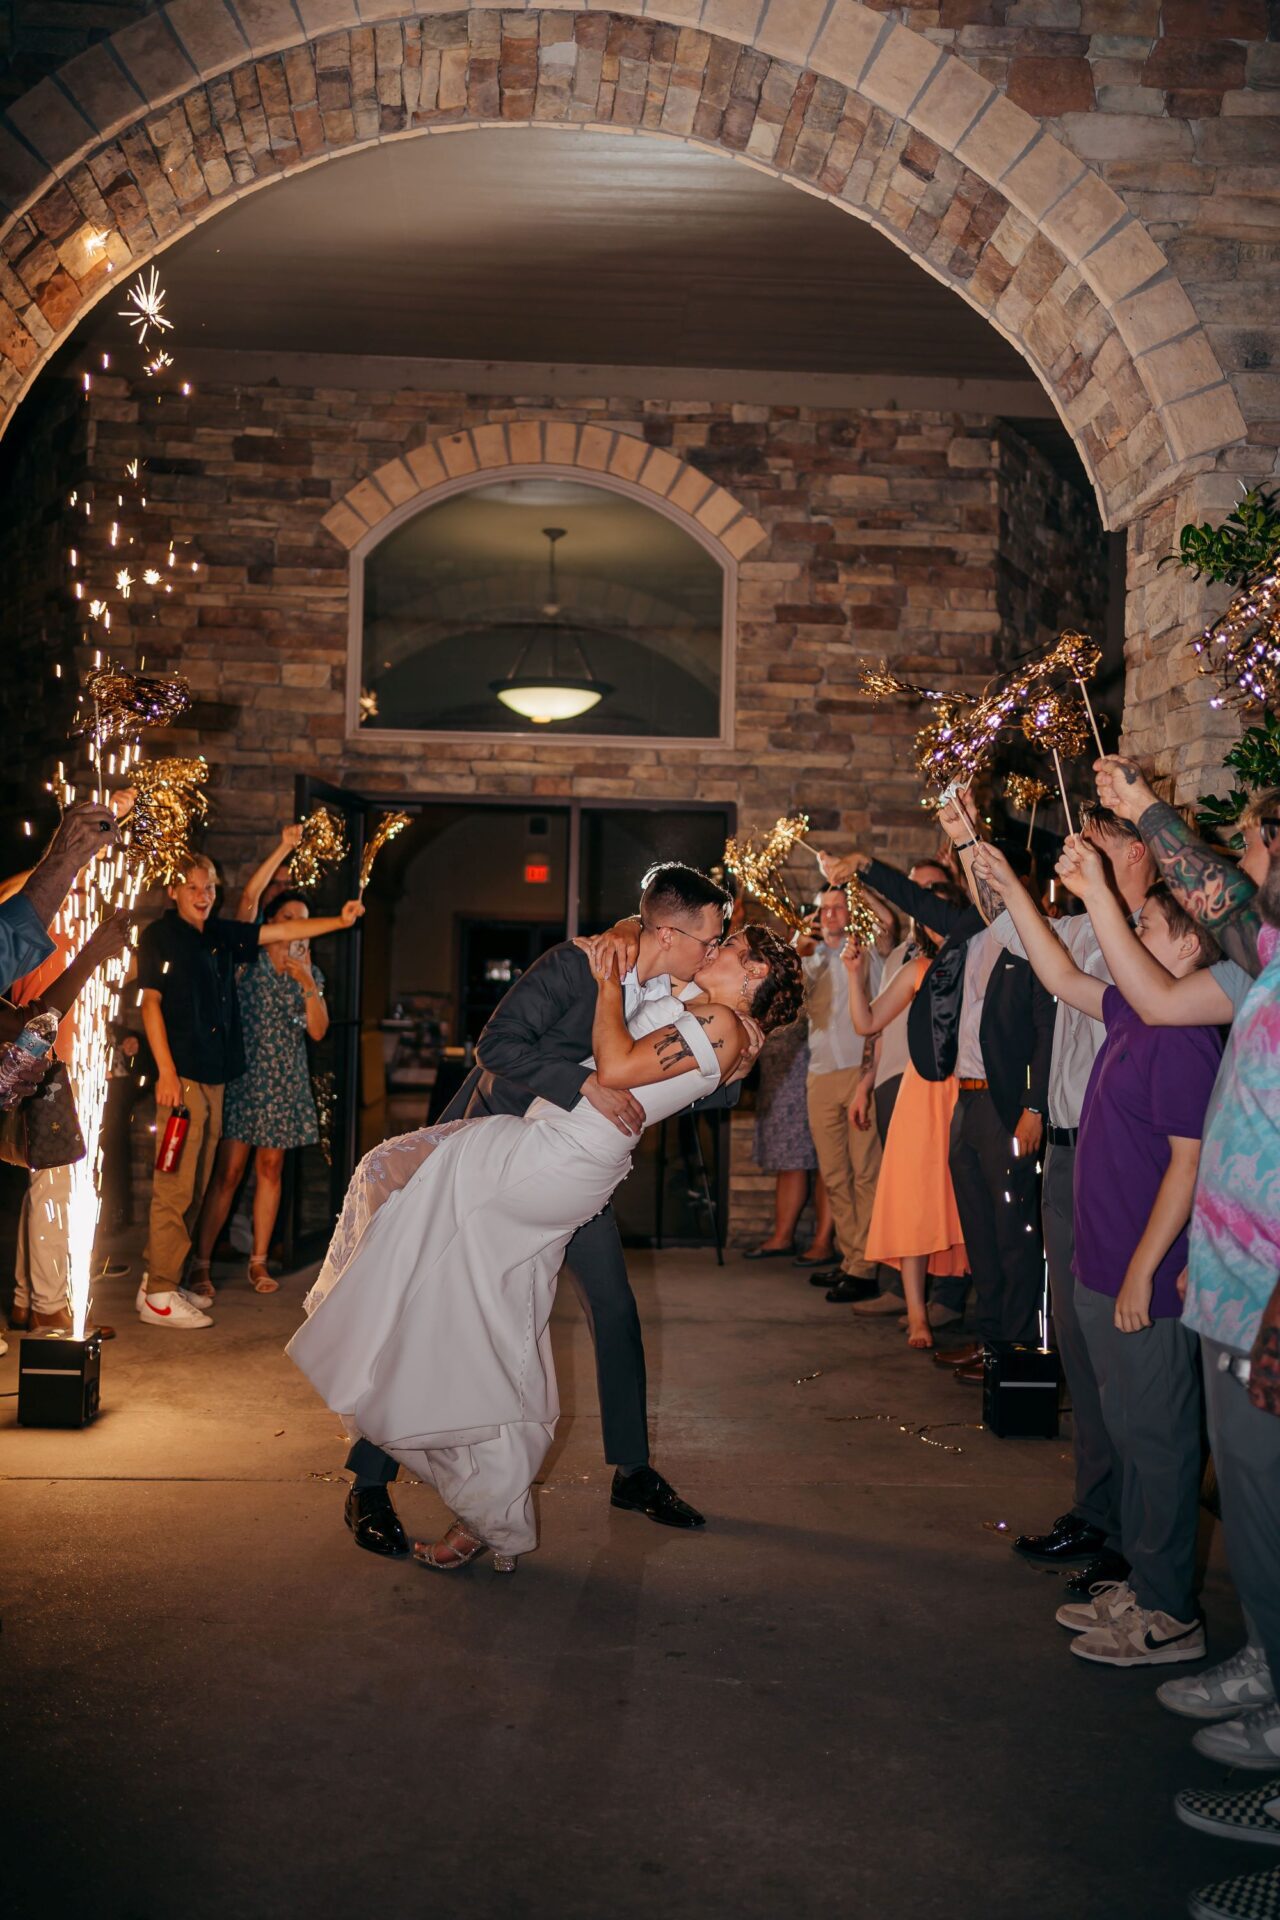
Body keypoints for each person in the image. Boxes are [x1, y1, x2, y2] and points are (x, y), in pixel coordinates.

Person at [288, 924, 803, 1571]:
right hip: (507, 1126)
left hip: (566, 1165)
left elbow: (704, 1070)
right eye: (709, 938)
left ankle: (625, 1472)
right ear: (669, 931)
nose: (712, 948)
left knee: (600, 1310)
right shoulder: (584, 962)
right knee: (450, 1293)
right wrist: (593, 1061)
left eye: (723, 945)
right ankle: (373, 1481)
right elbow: (498, 1047)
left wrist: (743, 1048)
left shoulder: (687, 993)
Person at [975, 839, 1223, 1670]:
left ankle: (1169, 1612)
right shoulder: (1134, 1010)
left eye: (1147, 922)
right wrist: (1011, 883)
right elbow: (1057, 974)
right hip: (1100, 1267)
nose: (1130, 935)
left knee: (1159, 1444)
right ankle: (1147, 1581)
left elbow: (1188, 1166)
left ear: (1188, 945)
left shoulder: (1185, 1038)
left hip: (1138, 1277)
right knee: (1125, 1427)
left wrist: (1144, 1272)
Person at [823, 840, 1054, 1380]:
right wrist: (865, 866)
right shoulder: (966, 937)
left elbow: (1046, 1030)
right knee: (979, 1232)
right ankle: (990, 1340)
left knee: (1013, 1235)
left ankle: (1016, 1355)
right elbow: (917, 902)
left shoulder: (1032, 943)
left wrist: (1035, 1105)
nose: (978, 892)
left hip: (1004, 1107)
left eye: (987, 882)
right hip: (963, 1103)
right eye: (975, 884)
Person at [133, 852, 363, 1330]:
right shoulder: (161, 936)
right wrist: (167, 1072)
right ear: (174, 891)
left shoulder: (217, 937)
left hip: (216, 1078)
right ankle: (158, 1292)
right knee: (177, 1185)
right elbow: (151, 1005)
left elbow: (278, 935)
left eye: (209, 888)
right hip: (189, 1079)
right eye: (194, 887)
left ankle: (164, 1280)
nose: (203, 896)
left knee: (194, 1184)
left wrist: (339, 923)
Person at [190, 890, 329, 1298]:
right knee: (229, 1171)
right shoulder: (246, 961)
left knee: (271, 1170)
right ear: (271, 922)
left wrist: (305, 981)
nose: (297, 926)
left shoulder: (309, 972)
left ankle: (259, 1261)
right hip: (245, 1078)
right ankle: (200, 1262)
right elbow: (248, 900)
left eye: (304, 919)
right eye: (289, 917)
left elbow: (318, 1031)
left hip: (285, 1082)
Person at [849, 857, 968, 1330]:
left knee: (956, 1201)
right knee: (916, 1200)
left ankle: (950, 1300)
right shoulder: (917, 967)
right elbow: (867, 1023)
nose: (935, 929)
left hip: (967, 1094)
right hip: (921, 1096)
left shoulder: (978, 964)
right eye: (929, 920)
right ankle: (917, 1313)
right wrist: (854, 977)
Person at [793, 885, 882, 1305]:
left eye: (837, 907)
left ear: (852, 911)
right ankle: (851, 1258)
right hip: (820, 1073)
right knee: (834, 1175)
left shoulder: (867, 951)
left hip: (858, 1071)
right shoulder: (808, 954)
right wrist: (796, 949)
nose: (829, 915)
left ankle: (867, 1267)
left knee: (865, 1171)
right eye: (823, 908)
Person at [744, 1010, 828, 1262]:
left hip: (811, 1073)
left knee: (827, 1162)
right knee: (789, 1162)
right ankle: (783, 1236)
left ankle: (823, 1242)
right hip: (779, 1075)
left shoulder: (819, 978)